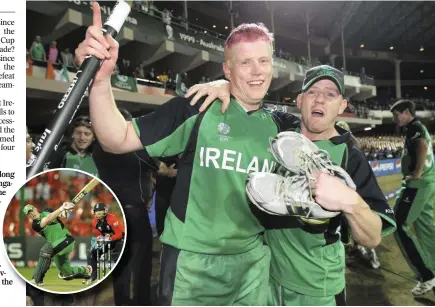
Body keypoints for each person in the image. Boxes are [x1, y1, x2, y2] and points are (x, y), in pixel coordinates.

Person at [75, 3, 297, 304]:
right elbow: (117, 138)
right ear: (227, 69)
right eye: (245, 63)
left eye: (263, 61)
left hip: (254, 265)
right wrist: (100, 80)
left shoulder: (282, 127)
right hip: (192, 266)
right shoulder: (195, 108)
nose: (257, 71)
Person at [187, 65, 396, 305]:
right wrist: (224, 85)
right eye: (312, 92)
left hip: (314, 290)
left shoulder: (350, 156)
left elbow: (372, 237)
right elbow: (245, 103)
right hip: (261, 277)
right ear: (300, 100)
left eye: (330, 94)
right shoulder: (278, 128)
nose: (320, 99)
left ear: (342, 106)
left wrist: (352, 202)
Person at [92, 108, 162, 305]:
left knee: (119, 264)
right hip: (132, 213)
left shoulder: (99, 147)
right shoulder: (132, 150)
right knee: (140, 265)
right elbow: (152, 162)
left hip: (112, 213)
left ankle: (123, 302)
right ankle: (139, 302)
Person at [390, 99, 435, 296]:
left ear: (407, 112)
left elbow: (423, 146)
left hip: (417, 185)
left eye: (396, 114)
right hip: (426, 183)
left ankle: (426, 275)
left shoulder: (414, 127)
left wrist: (416, 173)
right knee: (426, 227)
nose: (395, 118)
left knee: (399, 225)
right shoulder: (416, 127)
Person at [23, 204, 91, 286]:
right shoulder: (35, 225)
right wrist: (62, 208)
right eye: (29, 214)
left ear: (35, 208)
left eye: (31, 211)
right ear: (28, 216)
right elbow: (48, 218)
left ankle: (37, 280)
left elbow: (61, 215)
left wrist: (65, 212)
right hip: (56, 246)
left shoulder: (47, 210)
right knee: (67, 274)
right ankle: (87, 271)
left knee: (45, 251)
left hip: (65, 240)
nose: (32, 214)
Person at [85, 203, 125, 285]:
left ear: (105, 211)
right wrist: (99, 239)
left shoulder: (112, 218)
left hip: (120, 239)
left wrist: (109, 237)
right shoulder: (94, 222)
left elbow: (120, 234)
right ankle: (93, 278)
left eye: (100, 210)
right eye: (97, 211)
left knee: (117, 256)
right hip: (108, 240)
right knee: (91, 253)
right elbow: (99, 235)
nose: (98, 213)